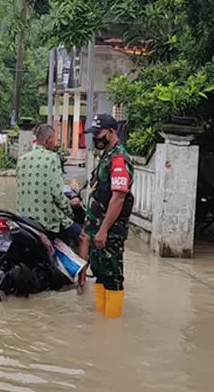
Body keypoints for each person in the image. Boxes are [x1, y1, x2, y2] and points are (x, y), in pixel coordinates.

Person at [17, 124, 88, 288]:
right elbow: (57, 194)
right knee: (84, 237)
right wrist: (69, 208)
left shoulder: (22, 159)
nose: (55, 144)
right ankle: (82, 282)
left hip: (24, 218)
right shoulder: (52, 158)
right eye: (54, 140)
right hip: (47, 218)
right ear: (48, 140)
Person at [84, 114, 134, 318]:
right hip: (98, 230)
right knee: (101, 275)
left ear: (111, 132)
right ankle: (101, 320)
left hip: (110, 232)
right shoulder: (106, 155)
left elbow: (118, 198)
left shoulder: (119, 159)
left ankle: (111, 327)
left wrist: (104, 230)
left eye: (99, 133)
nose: (95, 137)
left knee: (112, 277)